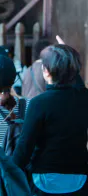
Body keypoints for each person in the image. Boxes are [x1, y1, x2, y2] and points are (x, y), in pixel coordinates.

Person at [13, 43, 88, 196]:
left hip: (44, 180)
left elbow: (24, 148)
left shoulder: (39, 103)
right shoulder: (84, 98)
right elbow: (79, 87)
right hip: (80, 177)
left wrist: (10, 171)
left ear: (46, 72)